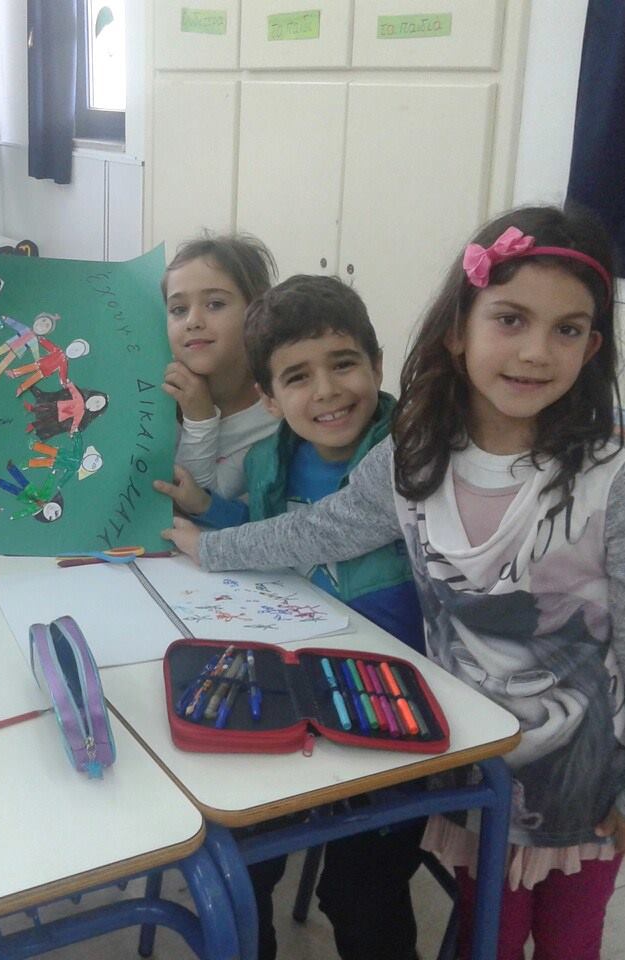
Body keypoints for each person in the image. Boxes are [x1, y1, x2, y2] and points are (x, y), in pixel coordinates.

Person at [163, 206, 625, 960]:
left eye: (567, 329)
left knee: (570, 941)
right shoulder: (415, 453)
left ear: (592, 346)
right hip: (466, 766)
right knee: (486, 933)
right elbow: (320, 530)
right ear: (457, 331)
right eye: (510, 319)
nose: (535, 351)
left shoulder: (622, 481)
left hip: (584, 782)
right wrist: (209, 546)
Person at [155, 274, 425, 960]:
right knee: (244, 864)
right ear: (270, 398)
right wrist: (210, 509)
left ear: (377, 366)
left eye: (344, 364)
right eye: (298, 377)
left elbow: (318, 538)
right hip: (293, 687)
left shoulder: (410, 454)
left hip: (385, 704)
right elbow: (268, 535)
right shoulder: (271, 461)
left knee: (363, 896)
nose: (327, 391)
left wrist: (212, 539)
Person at [162, 233, 280, 502]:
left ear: (256, 312)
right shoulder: (154, 393)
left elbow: (201, 507)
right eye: (178, 309)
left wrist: (200, 420)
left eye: (215, 304)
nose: (193, 321)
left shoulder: (275, 416)